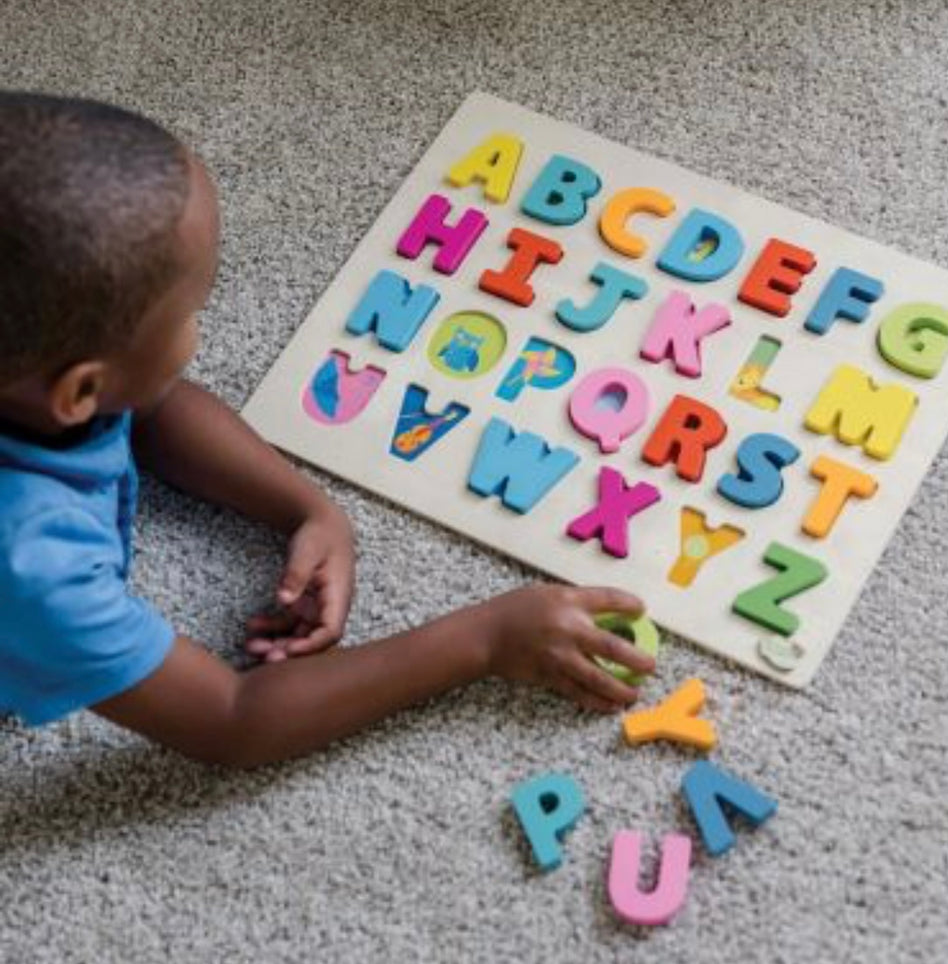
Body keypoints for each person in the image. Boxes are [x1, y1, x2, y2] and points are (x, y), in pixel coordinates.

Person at [0, 93, 654, 767]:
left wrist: (308, 509)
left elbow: (152, 409)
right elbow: (233, 722)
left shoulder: (32, 382)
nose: (201, 324)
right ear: (78, 391)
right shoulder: (35, 567)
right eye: (190, 312)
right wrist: (484, 638)